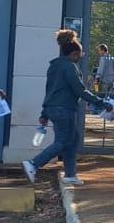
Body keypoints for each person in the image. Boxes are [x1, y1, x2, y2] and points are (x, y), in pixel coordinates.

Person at [22, 29, 107, 186]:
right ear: (74, 53)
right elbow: (80, 90)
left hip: (53, 108)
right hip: (64, 109)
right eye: (80, 54)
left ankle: (70, 174)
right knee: (63, 141)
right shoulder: (70, 67)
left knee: (73, 140)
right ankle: (33, 164)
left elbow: (50, 90)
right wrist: (102, 103)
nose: (80, 57)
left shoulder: (54, 66)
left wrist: (44, 112)